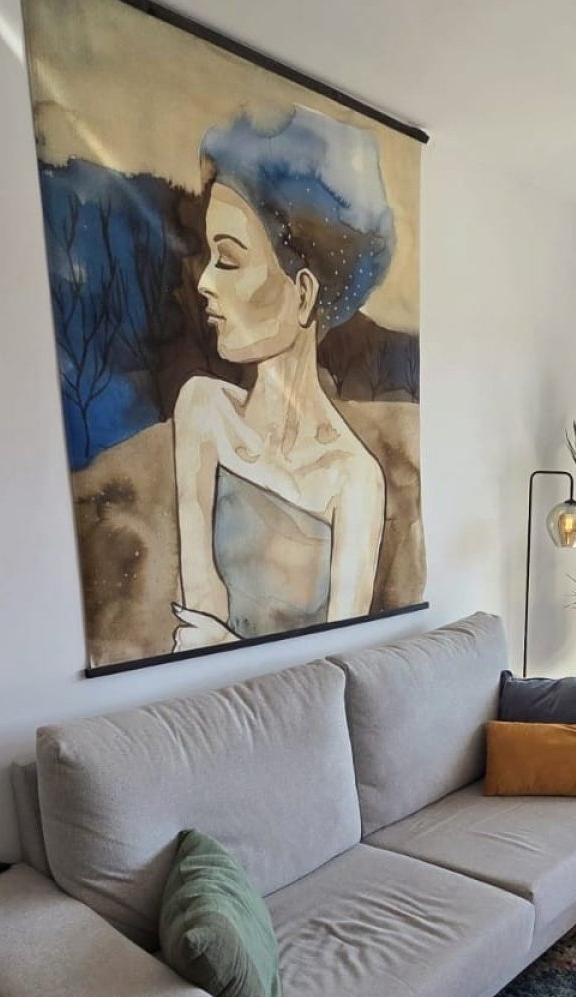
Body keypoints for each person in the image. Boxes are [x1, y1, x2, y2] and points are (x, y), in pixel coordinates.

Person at [169, 107, 396, 652]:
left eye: (228, 260)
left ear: (303, 294)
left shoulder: (354, 479)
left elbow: (344, 659)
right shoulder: (201, 409)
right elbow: (198, 618)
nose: (204, 282)